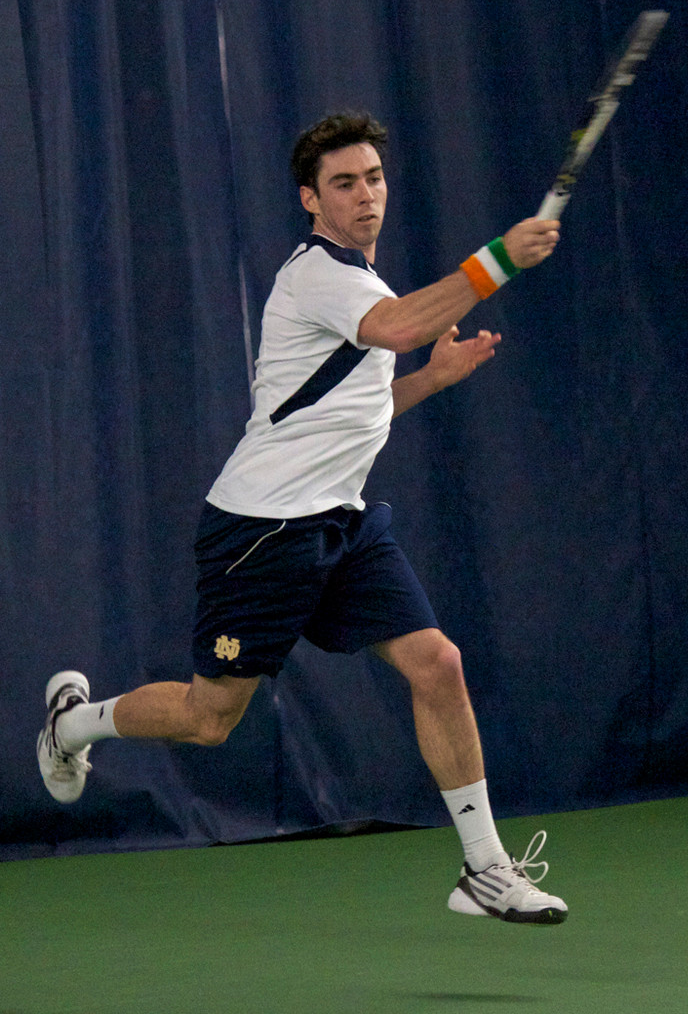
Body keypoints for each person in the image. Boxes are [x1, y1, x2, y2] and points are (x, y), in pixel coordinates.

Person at [37, 112, 567, 925]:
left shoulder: (364, 282)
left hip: (342, 525)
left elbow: (349, 413)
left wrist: (431, 380)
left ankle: (484, 869)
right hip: (260, 533)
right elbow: (393, 326)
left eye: (374, 179)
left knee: (439, 665)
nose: (365, 196)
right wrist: (498, 259)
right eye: (345, 183)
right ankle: (75, 724)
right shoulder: (319, 276)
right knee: (208, 721)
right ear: (310, 201)